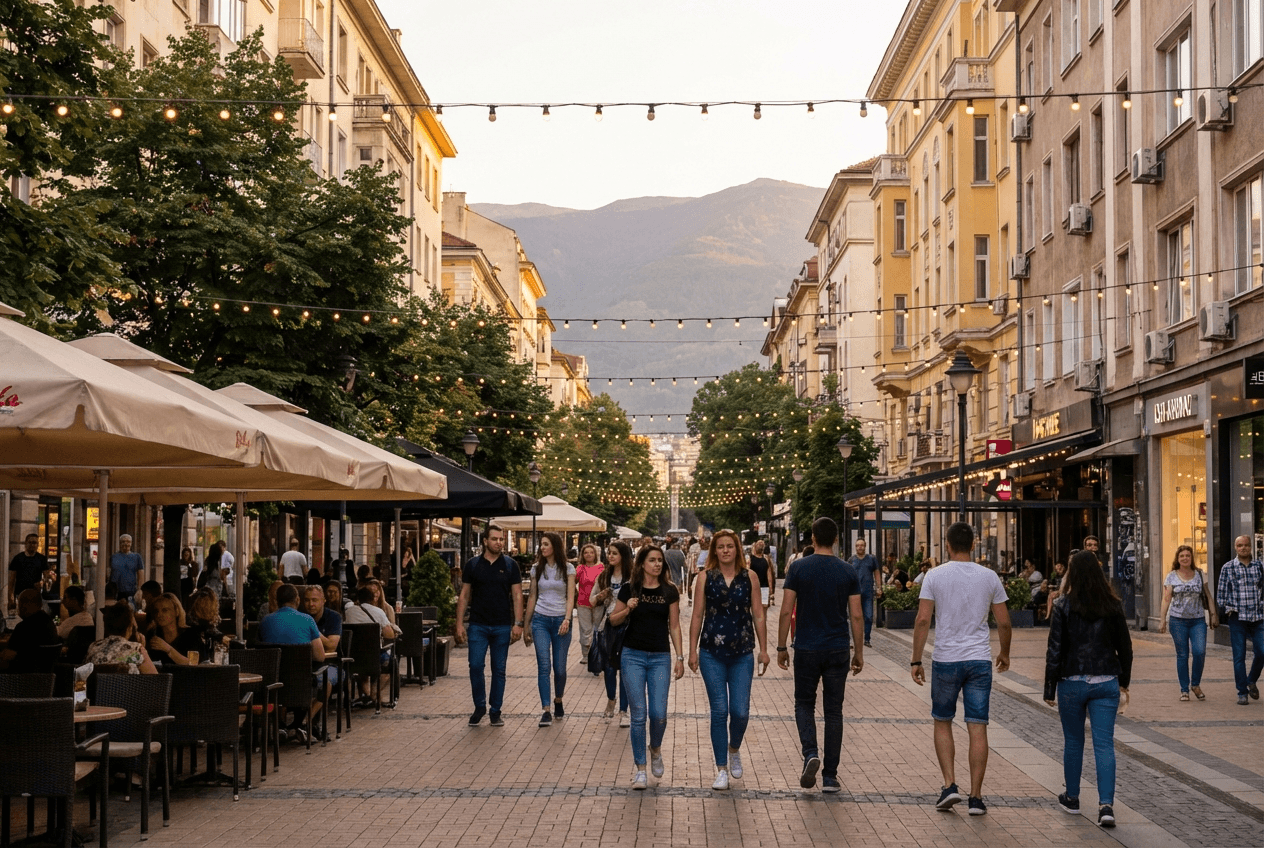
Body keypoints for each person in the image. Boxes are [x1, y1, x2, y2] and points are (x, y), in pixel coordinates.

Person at [910, 521, 1010, 816]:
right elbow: (1004, 622)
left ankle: (949, 784)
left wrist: (916, 659)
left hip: (946, 659)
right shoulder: (989, 576)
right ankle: (976, 797)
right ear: (974, 545)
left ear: (948, 545)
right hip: (979, 660)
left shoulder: (934, 575)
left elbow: (923, 620)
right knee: (977, 725)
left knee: (942, 721)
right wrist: (1004, 653)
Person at [1044, 550, 1133, 828]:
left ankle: (1072, 797)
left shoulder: (1062, 605)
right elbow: (1126, 648)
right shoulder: (1112, 605)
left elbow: (1055, 649)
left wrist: (1049, 688)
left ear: (1072, 574)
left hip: (1071, 681)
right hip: (1106, 680)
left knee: (1073, 741)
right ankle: (1106, 806)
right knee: (1104, 744)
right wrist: (1124, 682)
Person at [776, 517, 863, 794]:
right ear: (836, 539)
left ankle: (810, 753)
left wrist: (781, 646)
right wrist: (858, 652)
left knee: (804, 703)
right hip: (837, 647)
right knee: (834, 711)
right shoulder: (848, 570)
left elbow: (786, 610)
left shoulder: (798, 568)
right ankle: (830, 776)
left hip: (806, 647)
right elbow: (856, 615)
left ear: (812, 538)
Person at [688, 529, 769, 790]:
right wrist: (691, 650)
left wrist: (764, 649)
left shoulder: (750, 577)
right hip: (711, 652)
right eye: (720, 547)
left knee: (740, 712)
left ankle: (734, 748)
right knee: (720, 710)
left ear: (737, 550)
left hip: (742, 652)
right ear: (714, 551)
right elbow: (697, 615)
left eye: (730, 546)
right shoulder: (705, 577)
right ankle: (721, 767)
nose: (725, 550)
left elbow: (758, 614)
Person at [607, 544, 684, 790]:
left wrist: (680, 657)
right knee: (638, 715)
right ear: (642, 564)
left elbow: (674, 626)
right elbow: (612, 620)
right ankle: (640, 769)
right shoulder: (630, 588)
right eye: (652, 560)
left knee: (659, 714)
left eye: (660, 560)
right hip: (633, 656)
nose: (657, 564)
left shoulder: (669, 590)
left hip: (660, 657)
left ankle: (656, 748)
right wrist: (628, 608)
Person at [455, 525, 523, 727]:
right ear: (485, 541)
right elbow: (464, 595)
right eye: (494, 539)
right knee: (475, 666)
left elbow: (517, 595)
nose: (499, 543)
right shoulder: (473, 565)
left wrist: (518, 623)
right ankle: (480, 706)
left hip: (502, 625)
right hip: (478, 625)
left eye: (501, 539)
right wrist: (459, 624)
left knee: (499, 669)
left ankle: (495, 710)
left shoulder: (510, 565)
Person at [259, 583, 330, 738]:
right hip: (300, 683)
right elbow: (320, 656)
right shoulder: (307, 620)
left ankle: (280, 725)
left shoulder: (265, 621)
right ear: (297, 600)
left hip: (273, 682)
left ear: (276, 601)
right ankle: (301, 723)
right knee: (326, 683)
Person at [523, 532, 576, 727]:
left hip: (561, 621)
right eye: (541, 544)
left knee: (560, 669)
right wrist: (526, 624)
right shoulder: (536, 568)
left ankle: (558, 700)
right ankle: (546, 709)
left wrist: (567, 619)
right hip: (541, 620)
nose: (542, 547)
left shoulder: (568, 568)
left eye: (546, 544)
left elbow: (570, 597)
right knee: (544, 666)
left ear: (555, 546)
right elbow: (532, 596)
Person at [1217, 535, 1264, 706]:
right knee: (1239, 656)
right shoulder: (1228, 567)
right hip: (1237, 618)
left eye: (1246, 545)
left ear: (1250, 547)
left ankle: (1251, 680)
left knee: (1262, 651)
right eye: (1239, 545)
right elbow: (1221, 594)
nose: (1243, 548)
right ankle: (1242, 692)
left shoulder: (1260, 566)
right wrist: (1228, 609)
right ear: (1235, 548)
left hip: (1258, 617)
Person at [593, 541, 633, 725]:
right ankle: (611, 700)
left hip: (628, 625)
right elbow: (591, 600)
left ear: (623, 556)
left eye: (615, 553)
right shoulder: (604, 576)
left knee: (625, 668)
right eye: (609, 552)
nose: (610, 556)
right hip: (608, 625)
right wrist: (600, 596)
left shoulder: (633, 577)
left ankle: (624, 710)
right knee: (609, 668)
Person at [85, 603, 158, 674]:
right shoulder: (136, 649)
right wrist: (142, 650)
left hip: (99, 683)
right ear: (129, 629)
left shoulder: (93, 647)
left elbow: (84, 673)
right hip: (129, 683)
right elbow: (154, 677)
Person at [0, 589, 60, 672]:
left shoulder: (23, 627)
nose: (18, 608)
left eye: (19, 604)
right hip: (46, 676)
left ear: (24, 605)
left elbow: (7, 656)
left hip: (20, 676)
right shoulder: (49, 622)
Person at [146, 592, 202, 666]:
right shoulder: (153, 635)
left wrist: (169, 649)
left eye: (165, 610)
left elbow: (194, 663)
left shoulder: (191, 635)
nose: (159, 615)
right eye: (156, 611)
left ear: (176, 611)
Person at [574, 544, 605, 667]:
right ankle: (586, 654)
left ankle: (596, 654)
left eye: (591, 552)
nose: (589, 555)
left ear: (595, 554)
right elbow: (572, 582)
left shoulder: (601, 567)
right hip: (583, 603)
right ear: (582, 554)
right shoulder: (580, 568)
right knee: (585, 629)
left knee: (597, 629)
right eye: (586, 552)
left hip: (598, 603)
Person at [849, 538, 879, 647]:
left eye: (861, 545)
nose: (859, 547)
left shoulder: (871, 559)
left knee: (868, 616)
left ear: (865, 546)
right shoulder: (851, 560)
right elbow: (848, 576)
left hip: (868, 592)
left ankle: (867, 639)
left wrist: (879, 587)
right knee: (855, 617)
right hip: (854, 593)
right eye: (857, 545)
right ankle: (856, 639)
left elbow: (877, 573)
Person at [7, 533, 47, 612]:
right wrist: (11, 597)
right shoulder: (18, 558)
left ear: (38, 545)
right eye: (30, 542)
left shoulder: (41, 559)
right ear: (25, 543)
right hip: (20, 594)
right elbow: (11, 580)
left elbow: (47, 576)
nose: (32, 545)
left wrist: (42, 582)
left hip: (35, 595)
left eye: (34, 543)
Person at [110, 534, 145, 607]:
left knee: (130, 609)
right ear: (120, 543)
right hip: (115, 592)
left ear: (131, 543)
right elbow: (109, 572)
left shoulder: (137, 557)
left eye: (128, 542)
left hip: (131, 591)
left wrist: (139, 590)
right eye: (123, 541)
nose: (126, 543)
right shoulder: (114, 557)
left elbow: (141, 573)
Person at [748, 540, 774, 609]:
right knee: (754, 608)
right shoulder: (750, 559)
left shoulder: (766, 559)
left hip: (764, 588)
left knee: (764, 608)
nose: (761, 544)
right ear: (755, 546)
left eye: (762, 544)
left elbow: (769, 575)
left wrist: (771, 590)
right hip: (753, 588)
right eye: (759, 543)